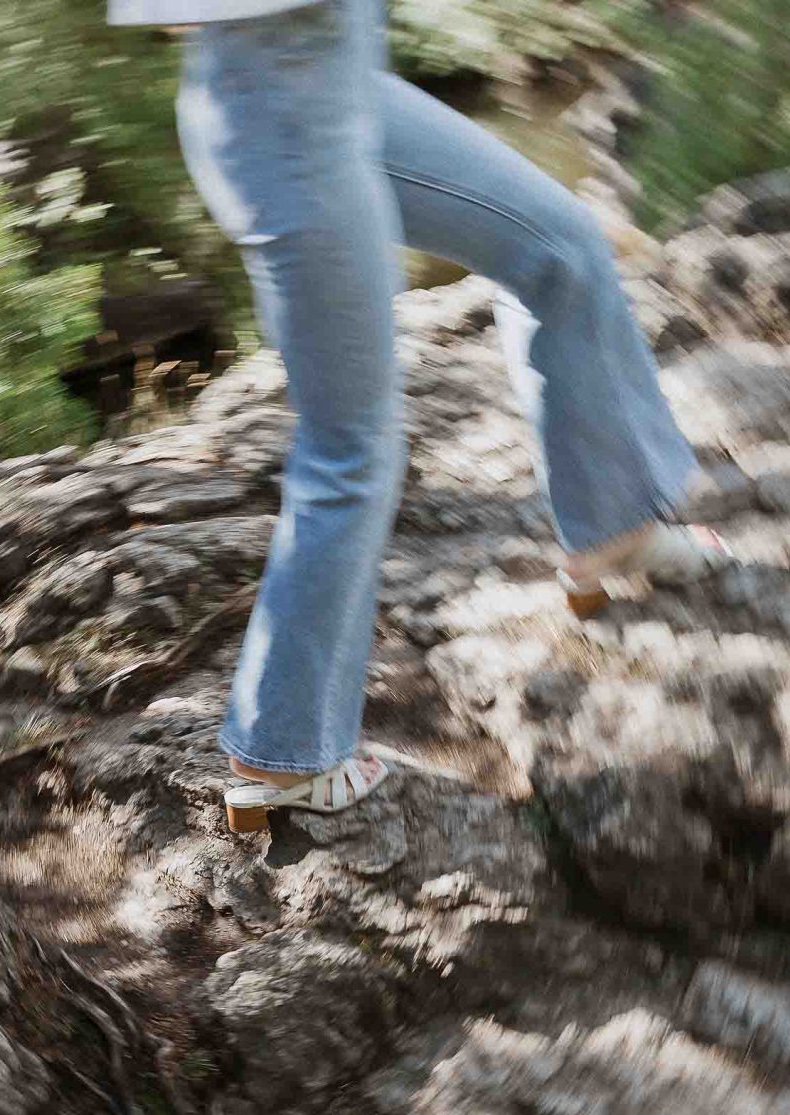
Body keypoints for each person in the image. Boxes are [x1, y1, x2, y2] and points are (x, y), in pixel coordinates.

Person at [110, 0, 718, 832]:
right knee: (352, 448)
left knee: (561, 248)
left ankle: (610, 524)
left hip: (343, 79)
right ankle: (281, 753)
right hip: (277, 110)